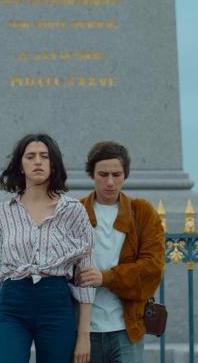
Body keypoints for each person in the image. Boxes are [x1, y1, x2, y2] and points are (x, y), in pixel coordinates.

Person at [0, 133, 94, 363]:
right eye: (30, 156)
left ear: (53, 165)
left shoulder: (73, 211)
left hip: (56, 302)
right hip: (12, 304)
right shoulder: (2, 213)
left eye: (44, 156)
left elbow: (85, 279)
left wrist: (84, 336)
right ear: (20, 166)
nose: (38, 161)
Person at [77, 141, 165, 363]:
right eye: (103, 174)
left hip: (127, 329)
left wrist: (106, 277)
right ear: (91, 175)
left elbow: (153, 269)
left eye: (116, 174)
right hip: (83, 331)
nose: (110, 182)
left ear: (125, 175)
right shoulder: (75, 212)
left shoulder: (142, 212)